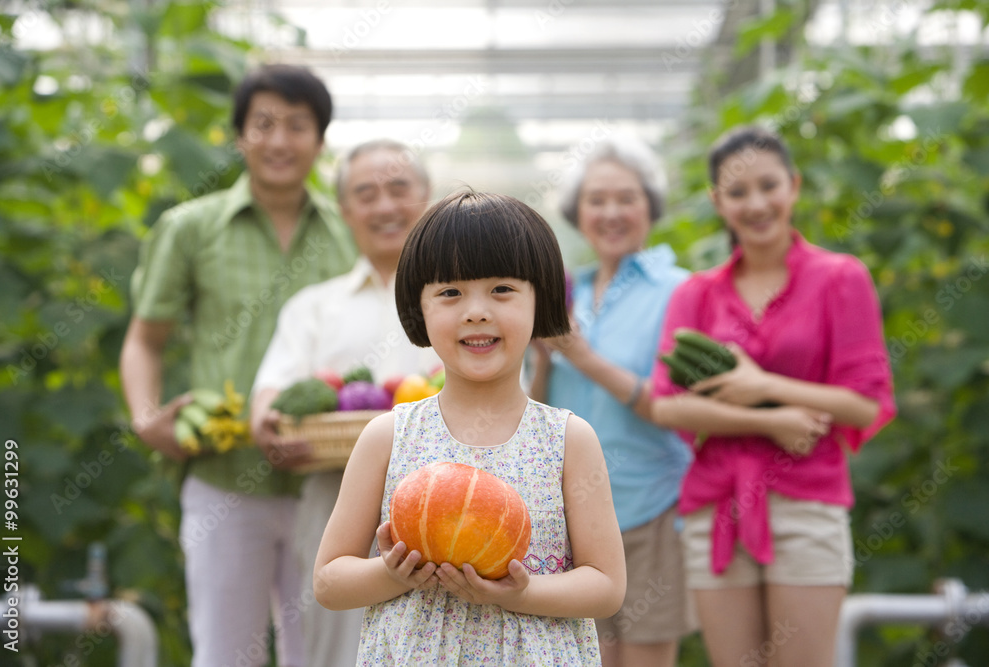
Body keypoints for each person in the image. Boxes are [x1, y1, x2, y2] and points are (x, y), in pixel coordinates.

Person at [314, 191, 627, 665]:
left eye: (502, 289)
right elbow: (329, 581)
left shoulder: (567, 439)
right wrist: (394, 575)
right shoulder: (388, 436)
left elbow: (605, 586)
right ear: (418, 309)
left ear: (540, 301)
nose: (476, 310)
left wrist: (519, 594)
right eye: (450, 292)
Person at [119, 64, 357, 667]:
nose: (280, 141)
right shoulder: (191, 229)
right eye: (264, 124)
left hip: (328, 484)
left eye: (298, 126)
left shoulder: (349, 233)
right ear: (239, 136)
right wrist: (148, 421)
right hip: (225, 481)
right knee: (225, 654)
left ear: (320, 141)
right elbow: (145, 339)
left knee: (326, 656)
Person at [649, 125, 896, 667]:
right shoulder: (697, 293)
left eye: (769, 186)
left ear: (794, 185)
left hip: (806, 500)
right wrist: (772, 420)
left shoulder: (840, 279)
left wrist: (763, 386)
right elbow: (666, 404)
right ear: (717, 201)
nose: (756, 204)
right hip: (717, 503)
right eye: (737, 193)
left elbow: (866, 404)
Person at [249, 139, 440, 666]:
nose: (385, 206)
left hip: (453, 499)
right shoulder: (314, 307)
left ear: (426, 198)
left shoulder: (457, 296)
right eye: (366, 193)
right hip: (336, 504)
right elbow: (273, 390)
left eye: (399, 188)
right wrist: (266, 422)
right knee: (334, 649)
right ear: (346, 210)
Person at [529, 136, 696, 667]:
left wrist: (581, 353)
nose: (611, 212)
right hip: (570, 517)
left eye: (627, 198)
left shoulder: (678, 291)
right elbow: (537, 413)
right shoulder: (565, 292)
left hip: (648, 507)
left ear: (651, 206)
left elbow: (678, 407)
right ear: (577, 212)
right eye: (596, 200)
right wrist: (547, 357)